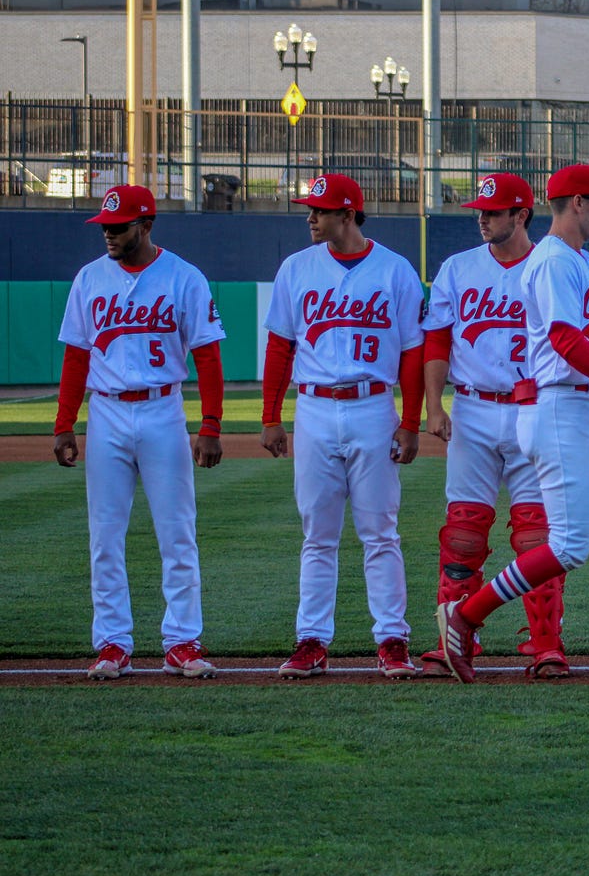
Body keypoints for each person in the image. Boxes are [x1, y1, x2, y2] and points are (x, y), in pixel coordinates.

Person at [436, 162, 589, 685]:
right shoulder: (552, 262)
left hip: (586, 410)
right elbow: (567, 341)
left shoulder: (581, 263)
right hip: (557, 408)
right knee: (570, 544)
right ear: (577, 204)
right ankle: (465, 616)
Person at [53, 184, 227, 680]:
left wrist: (210, 424)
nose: (108, 233)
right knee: (105, 536)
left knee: (177, 532)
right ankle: (112, 643)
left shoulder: (184, 277)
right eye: (105, 225)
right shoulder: (89, 279)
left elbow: (207, 356)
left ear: (146, 226)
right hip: (105, 413)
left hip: (162, 411)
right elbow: (76, 356)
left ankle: (182, 641)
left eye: (119, 226)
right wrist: (65, 424)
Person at [260, 173, 426, 680]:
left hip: (373, 406)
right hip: (313, 407)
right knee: (318, 534)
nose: (310, 217)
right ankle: (311, 640)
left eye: (320, 209)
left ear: (348, 214)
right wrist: (270, 416)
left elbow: (413, 353)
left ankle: (392, 640)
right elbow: (280, 347)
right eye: (311, 209)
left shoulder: (395, 271)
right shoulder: (296, 268)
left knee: (380, 532)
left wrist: (411, 421)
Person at [420, 172, 571, 679]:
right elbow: (437, 341)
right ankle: (454, 639)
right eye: (480, 211)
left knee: (536, 536)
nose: (482, 219)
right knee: (462, 531)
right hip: (474, 408)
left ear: (521, 215)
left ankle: (546, 643)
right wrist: (434, 405)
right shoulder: (459, 268)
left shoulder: (552, 264)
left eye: (492, 211)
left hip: (533, 408)